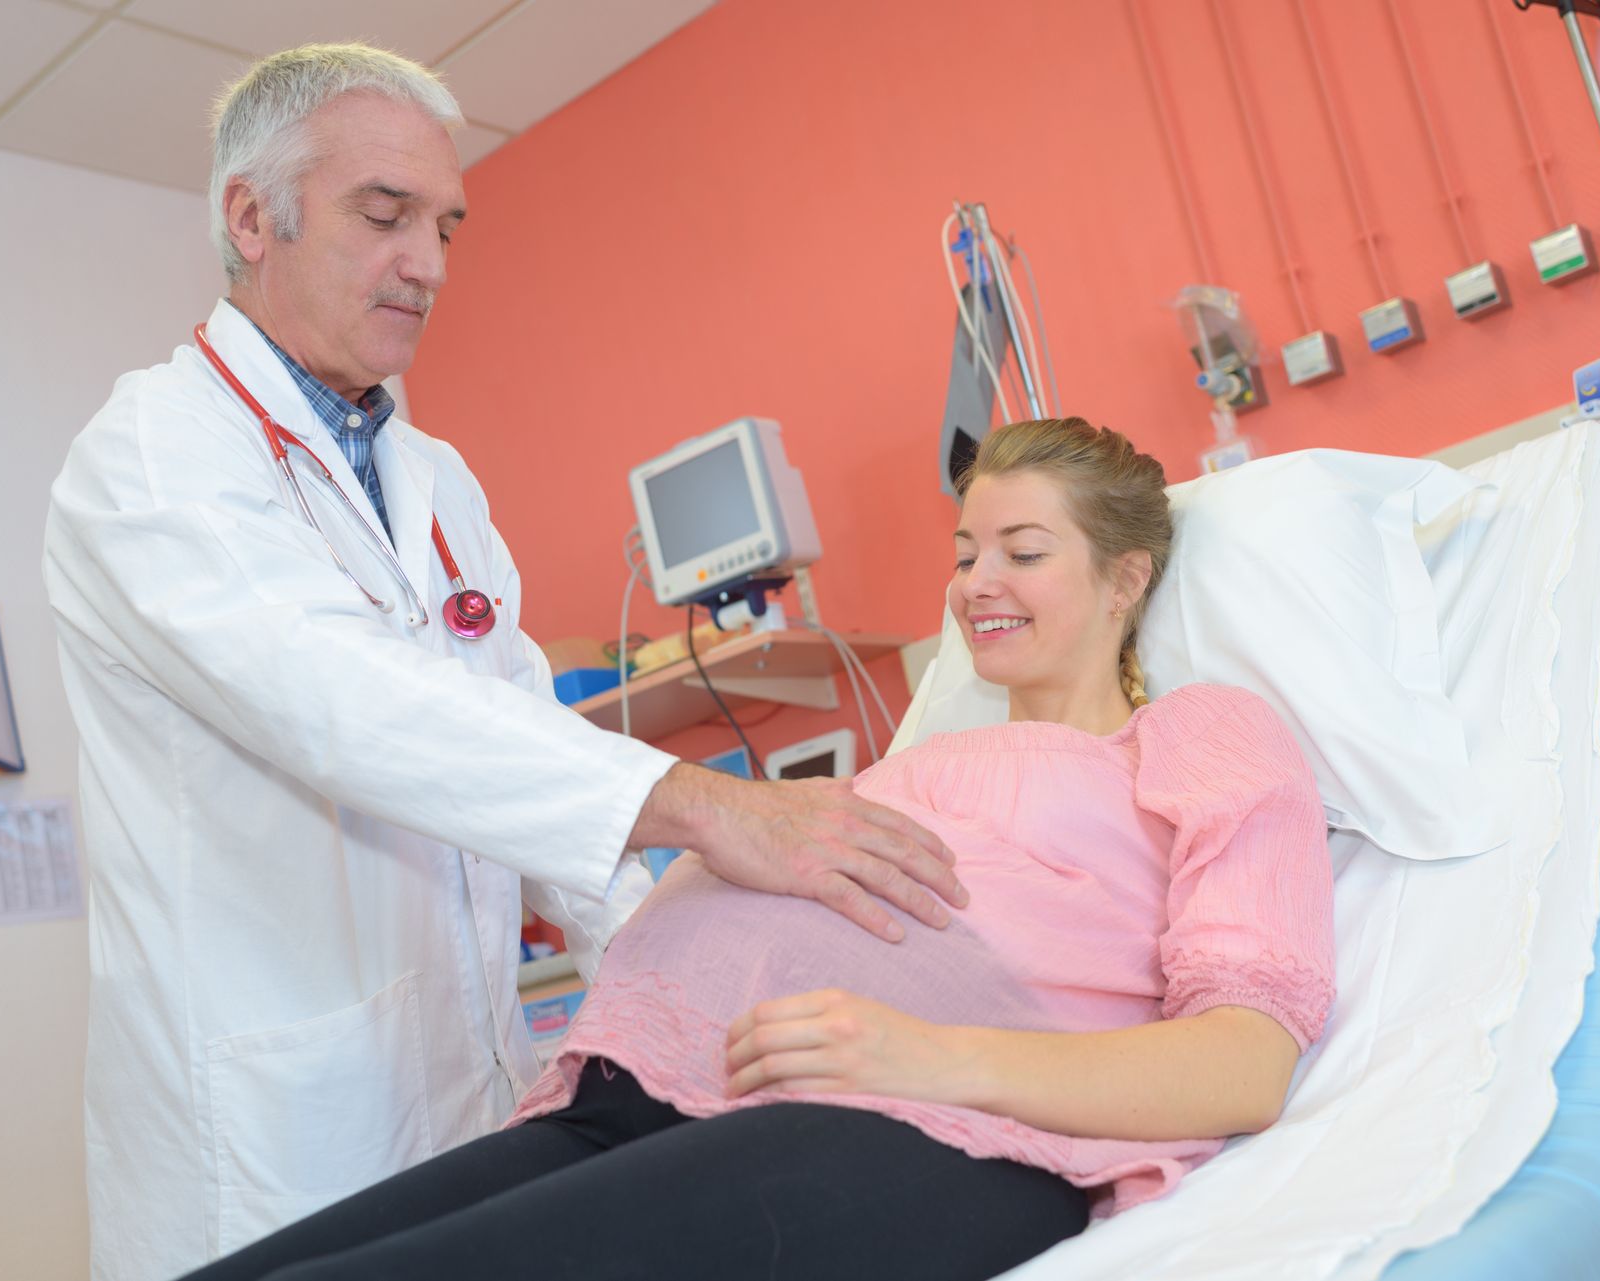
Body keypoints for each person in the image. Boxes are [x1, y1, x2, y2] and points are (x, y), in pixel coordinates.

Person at [42, 44, 962, 1281]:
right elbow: (345, 700)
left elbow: (524, 732)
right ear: (251, 216)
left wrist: (707, 978)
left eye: (446, 225)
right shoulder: (150, 458)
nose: (426, 262)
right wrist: (704, 806)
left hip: (469, 1090)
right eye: (385, 215)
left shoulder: (435, 482)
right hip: (271, 1128)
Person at [180, 417, 1337, 1281]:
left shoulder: (1199, 733)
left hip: (920, 1124)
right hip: (646, 1084)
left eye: (1023, 552)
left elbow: (1242, 1062)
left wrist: (922, 1055)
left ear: (1128, 576)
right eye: (966, 549)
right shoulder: (918, 759)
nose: (975, 583)